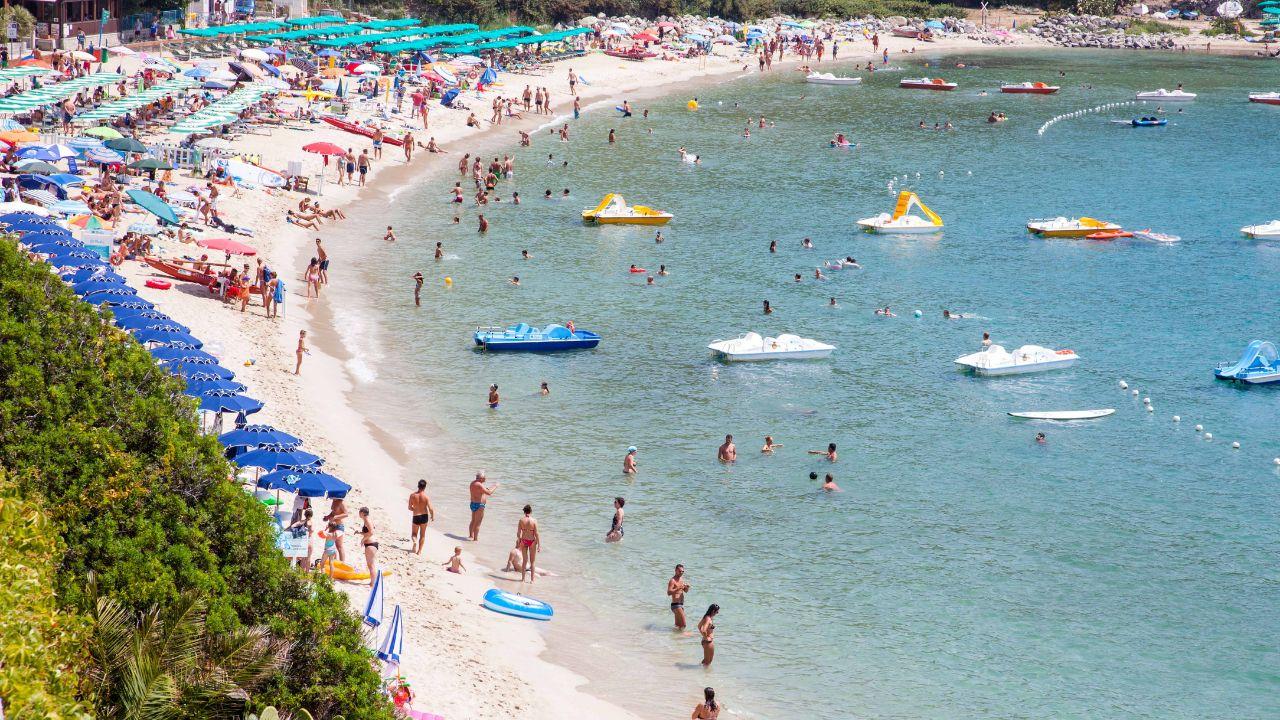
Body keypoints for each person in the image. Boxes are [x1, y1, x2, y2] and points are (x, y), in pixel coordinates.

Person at [468, 472, 498, 541]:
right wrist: (495, 486)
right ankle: (475, 539)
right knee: (477, 523)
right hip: (479, 505)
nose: (485, 479)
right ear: (481, 478)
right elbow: (489, 493)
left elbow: (484, 490)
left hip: (473, 503)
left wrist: (490, 487)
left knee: (473, 521)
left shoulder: (473, 483)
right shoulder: (479, 485)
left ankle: (470, 535)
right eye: (484, 478)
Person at [408, 479, 435, 555]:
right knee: (422, 535)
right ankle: (419, 551)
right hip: (424, 517)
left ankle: (414, 542)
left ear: (418, 486)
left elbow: (409, 507)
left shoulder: (412, 495)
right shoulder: (426, 497)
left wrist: (415, 509)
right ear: (425, 487)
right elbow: (431, 509)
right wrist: (432, 516)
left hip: (416, 516)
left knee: (414, 534)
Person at [355, 507, 379, 586]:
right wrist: (360, 533)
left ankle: (373, 583)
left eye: (359, 512)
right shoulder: (367, 520)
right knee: (370, 565)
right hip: (371, 544)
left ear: (362, 513)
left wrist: (363, 539)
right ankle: (372, 582)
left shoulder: (367, 520)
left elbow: (371, 532)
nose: (359, 513)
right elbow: (368, 532)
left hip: (371, 544)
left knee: (371, 565)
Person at [516, 504, 540, 583]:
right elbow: (536, 533)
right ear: (531, 511)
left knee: (524, 561)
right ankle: (532, 580)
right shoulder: (534, 520)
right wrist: (539, 544)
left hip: (524, 540)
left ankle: (523, 579)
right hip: (532, 541)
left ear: (524, 511)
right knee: (532, 561)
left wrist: (519, 541)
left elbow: (518, 533)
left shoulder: (521, 520)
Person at [668, 564, 691, 630]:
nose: (681, 573)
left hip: (680, 605)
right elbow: (669, 592)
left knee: (678, 626)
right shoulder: (672, 580)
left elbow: (685, 591)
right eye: (680, 571)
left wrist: (687, 588)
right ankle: (682, 637)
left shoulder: (681, 579)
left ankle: (676, 638)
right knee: (684, 625)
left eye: (682, 571)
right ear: (675, 570)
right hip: (676, 605)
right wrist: (678, 588)